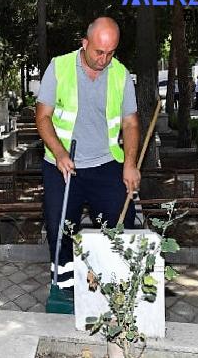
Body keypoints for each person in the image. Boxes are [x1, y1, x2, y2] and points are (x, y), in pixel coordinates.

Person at [35, 17, 140, 293]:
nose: (104, 60)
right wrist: (58, 152)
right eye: (98, 52)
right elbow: (43, 117)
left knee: (120, 228)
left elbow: (130, 123)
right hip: (62, 166)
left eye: (110, 53)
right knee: (60, 233)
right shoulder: (58, 68)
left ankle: (113, 289)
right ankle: (64, 290)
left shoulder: (120, 74)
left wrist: (129, 164)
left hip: (106, 165)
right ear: (85, 43)